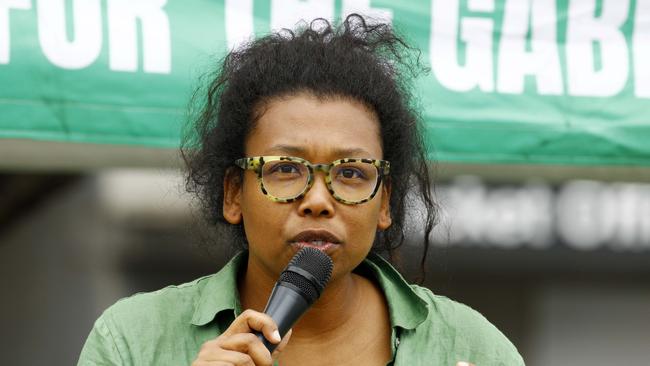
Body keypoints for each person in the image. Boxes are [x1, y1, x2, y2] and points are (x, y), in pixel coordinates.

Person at [78, 14, 524, 366]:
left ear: (385, 201)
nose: (317, 200)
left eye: (351, 173)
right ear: (234, 193)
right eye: (286, 169)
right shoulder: (132, 341)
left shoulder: (473, 349)